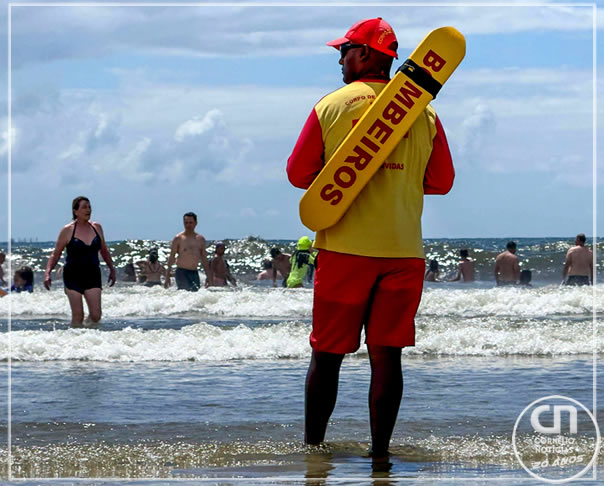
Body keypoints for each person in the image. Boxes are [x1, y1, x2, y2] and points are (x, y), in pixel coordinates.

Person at [287, 18, 454, 459]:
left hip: (345, 250)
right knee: (387, 357)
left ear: (363, 54)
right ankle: (379, 454)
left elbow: (299, 174)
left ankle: (314, 453)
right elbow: (441, 181)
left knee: (327, 356)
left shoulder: (332, 105)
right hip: (404, 252)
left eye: (344, 51)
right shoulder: (425, 111)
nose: (340, 59)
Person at [44, 196, 116, 327]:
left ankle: (88, 333)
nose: (88, 210)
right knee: (78, 316)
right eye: (84, 207)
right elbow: (56, 254)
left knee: (96, 315)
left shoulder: (97, 227)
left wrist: (112, 269)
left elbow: (104, 250)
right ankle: (76, 341)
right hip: (73, 275)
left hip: (92, 274)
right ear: (75, 211)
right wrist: (48, 273)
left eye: (89, 207)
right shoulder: (68, 230)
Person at [165, 212, 210, 291]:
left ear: (196, 223)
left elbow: (204, 259)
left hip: (194, 272)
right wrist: (167, 276)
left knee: (195, 295)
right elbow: (172, 257)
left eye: (190, 223)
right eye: (186, 223)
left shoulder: (200, 239)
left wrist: (208, 276)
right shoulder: (178, 238)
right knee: (184, 294)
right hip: (182, 272)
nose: (188, 225)